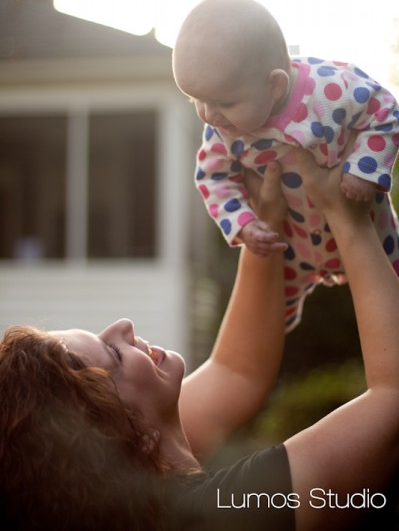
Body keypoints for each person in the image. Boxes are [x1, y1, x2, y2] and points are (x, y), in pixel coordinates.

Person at [1, 148, 399, 531]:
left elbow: (237, 371)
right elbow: (393, 397)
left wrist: (267, 219)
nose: (123, 326)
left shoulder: (132, 474)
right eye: (113, 355)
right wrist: (348, 218)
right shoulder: (220, 514)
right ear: (129, 434)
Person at [172, 0, 399, 330]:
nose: (209, 115)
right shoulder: (222, 130)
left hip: (366, 225)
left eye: (224, 102)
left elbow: (386, 111)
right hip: (290, 244)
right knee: (263, 318)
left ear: (275, 85)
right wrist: (245, 223)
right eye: (196, 100)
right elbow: (212, 177)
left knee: (392, 295)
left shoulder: (333, 88)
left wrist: (366, 167)